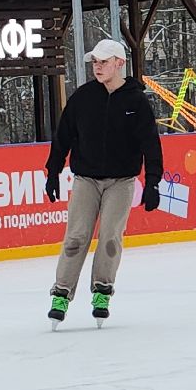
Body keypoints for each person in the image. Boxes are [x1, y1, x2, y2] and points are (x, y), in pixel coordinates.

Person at [42, 38, 165, 328]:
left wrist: (153, 182)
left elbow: (151, 144)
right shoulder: (83, 98)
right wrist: (52, 172)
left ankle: (102, 290)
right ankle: (61, 293)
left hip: (121, 181)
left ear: (119, 63)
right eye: (95, 62)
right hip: (86, 179)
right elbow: (63, 137)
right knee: (76, 236)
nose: (98, 67)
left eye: (104, 62)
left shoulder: (136, 102)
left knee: (110, 238)